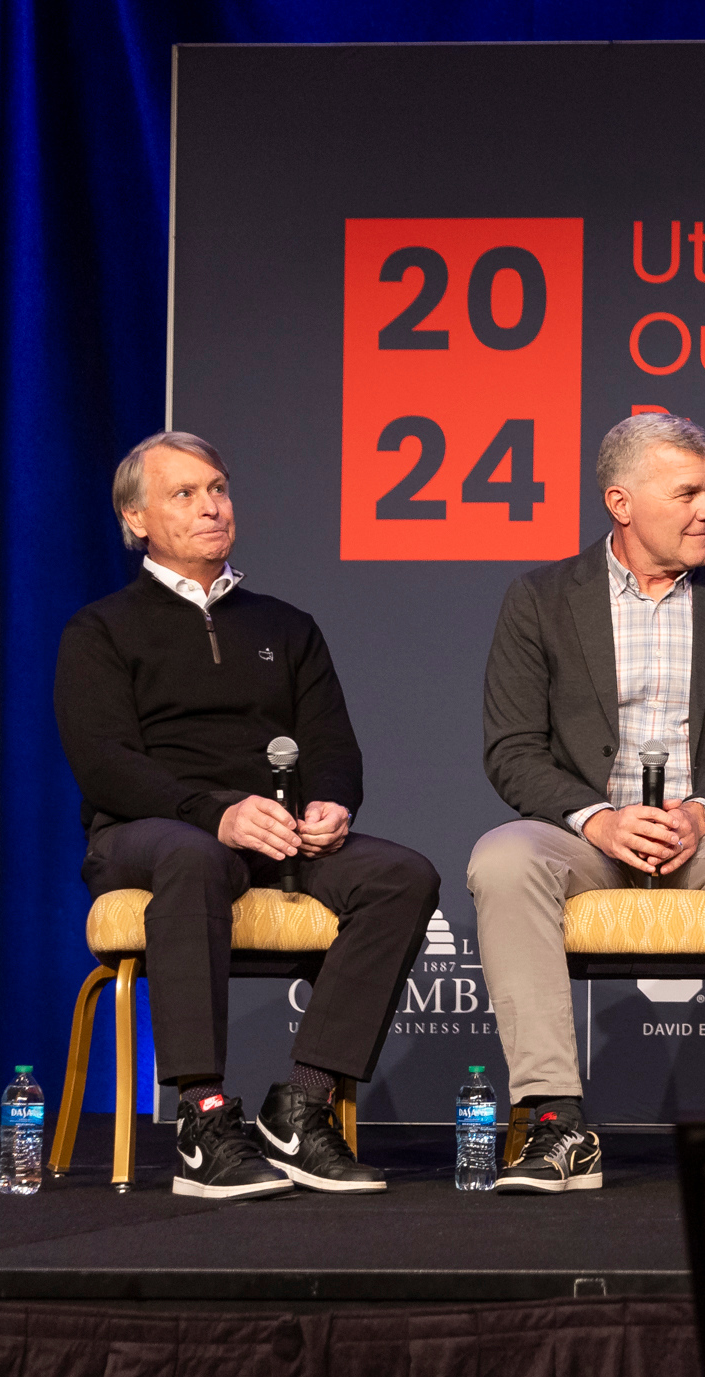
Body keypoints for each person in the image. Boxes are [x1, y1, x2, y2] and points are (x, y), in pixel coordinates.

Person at [54, 432, 442, 1199]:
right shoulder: (100, 629)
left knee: (401, 875)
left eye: (219, 489)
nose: (211, 507)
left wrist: (332, 802)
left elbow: (334, 744)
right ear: (136, 520)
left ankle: (302, 1102)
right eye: (185, 494)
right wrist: (215, 813)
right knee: (193, 856)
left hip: (276, 833)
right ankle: (201, 1118)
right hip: (147, 831)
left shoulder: (285, 625)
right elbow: (104, 763)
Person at [469, 413, 705, 1191]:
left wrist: (702, 814)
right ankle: (556, 1120)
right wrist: (598, 818)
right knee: (502, 856)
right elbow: (512, 750)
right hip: (589, 840)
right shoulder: (539, 600)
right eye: (688, 492)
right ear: (621, 503)